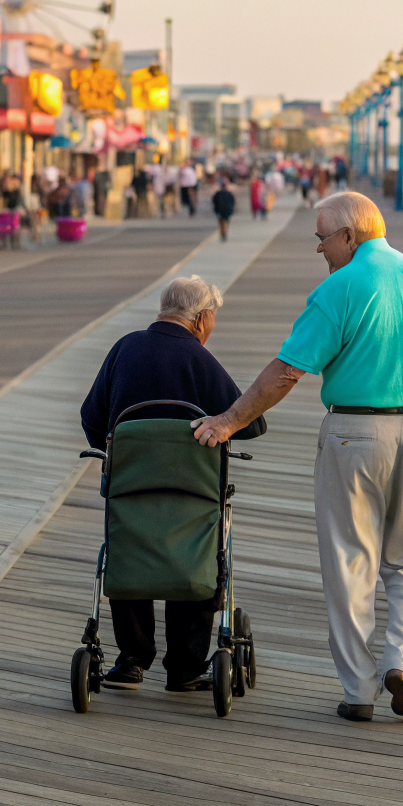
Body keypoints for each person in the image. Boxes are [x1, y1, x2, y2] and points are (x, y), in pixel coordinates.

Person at [189, 192, 403, 722]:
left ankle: (360, 691)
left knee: (350, 559)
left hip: (358, 431)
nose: (319, 249)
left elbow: (287, 372)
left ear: (350, 236)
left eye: (322, 238)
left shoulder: (337, 288)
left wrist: (228, 421)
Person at [81, 276, 266, 692]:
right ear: (201, 319)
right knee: (201, 557)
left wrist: (121, 458)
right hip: (193, 493)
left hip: (130, 489)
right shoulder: (198, 359)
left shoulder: (125, 348)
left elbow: (91, 416)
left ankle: (131, 661)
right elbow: (250, 423)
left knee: (126, 554)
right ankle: (184, 667)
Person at [212, 176, 236, 241]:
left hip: (220, 209)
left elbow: (214, 202)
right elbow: (233, 202)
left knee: (221, 221)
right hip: (227, 209)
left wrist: (216, 209)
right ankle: (224, 233)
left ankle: (223, 233)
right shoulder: (229, 194)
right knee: (226, 221)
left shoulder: (217, 194)